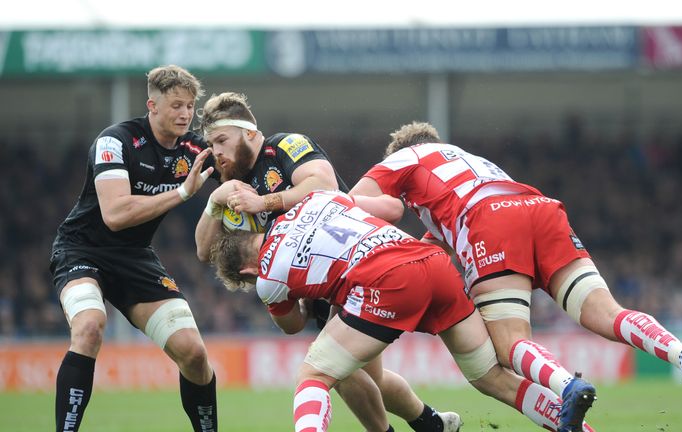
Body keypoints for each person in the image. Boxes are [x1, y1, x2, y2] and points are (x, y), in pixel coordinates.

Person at [349, 121, 682, 428]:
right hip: (537, 205)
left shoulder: (402, 160)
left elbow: (352, 206)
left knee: (509, 345)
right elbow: (444, 239)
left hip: (490, 219)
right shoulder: (465, 161)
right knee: (607, 313)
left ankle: (568, 386)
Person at [208, 189, 597, 432]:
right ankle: (574, 425)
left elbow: (293, 326)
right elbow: (389, 208)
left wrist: (306, 297)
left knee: (315, 373)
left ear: (245, 269)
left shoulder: (267, 276)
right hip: (431, 263)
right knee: (491, 375)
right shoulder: (317, 199)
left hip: (386, 283)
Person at [193, 92, 457, 432]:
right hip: (314, 279)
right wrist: (214, 203)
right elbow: (204, 251)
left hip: (350, 263)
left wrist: (263, 202)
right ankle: (430, 422)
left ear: (250, 134)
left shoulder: (285, 146)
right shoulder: (230, 182)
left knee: (339, 369)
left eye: (221, 140)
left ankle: (417, 425)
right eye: (211, 143)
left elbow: (323, 183)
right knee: (366, 374)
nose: (216, 151)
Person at [49, 65, 218, 432]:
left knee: (194, 353)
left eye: (190, 106)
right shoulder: (116, 141)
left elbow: (243, 167)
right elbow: (115, 214)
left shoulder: (195, 149)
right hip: (81, 250)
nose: (185, 114)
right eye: (175, 105)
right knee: (91, 326)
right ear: (152, 106)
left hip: (134, 256)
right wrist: (183, 193)